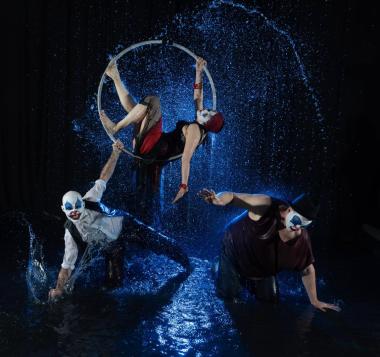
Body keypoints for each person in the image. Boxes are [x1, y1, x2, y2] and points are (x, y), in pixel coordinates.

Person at [48, 140, 190, 301]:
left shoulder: (91, 198)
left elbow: (103, 177)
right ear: (63, 209)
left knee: (159, 243)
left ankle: (187, 262)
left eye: (76, 205)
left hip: (126, 226)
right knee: (113, 286)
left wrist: (115, 153)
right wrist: (58, 288)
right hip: (111, 246)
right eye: (69, 207)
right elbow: (66, 267)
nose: (73, 211)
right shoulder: (70, 234)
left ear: (82, 202)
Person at [100, 56, 224, 203]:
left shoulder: (196, 131)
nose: (207, 110)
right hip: (153, 143)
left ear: (208, 123)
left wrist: (183, 185)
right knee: (138, 111)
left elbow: (186, 159)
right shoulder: (199, 121)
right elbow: (198, 97)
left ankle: (116, 127)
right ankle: (114, 75)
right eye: (210, 110)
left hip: (153, 147)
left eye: (209, 114)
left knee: (153, 102)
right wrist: (199, 72)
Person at [198, 189, 341, 312]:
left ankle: (247, 278)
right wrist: (218, 200)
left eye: (304, 224)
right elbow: (234, 196)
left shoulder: (300, 237)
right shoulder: (265, 204)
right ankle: (219, 266)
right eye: (297, 220)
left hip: (261, 264)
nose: (298, 226)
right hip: (235, 250)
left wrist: (314, 301)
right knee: (231, 300)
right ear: (289, 209)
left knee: (271, 304)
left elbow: (308, 269)